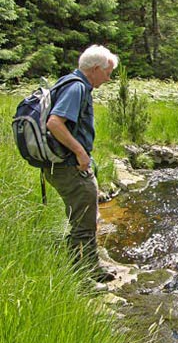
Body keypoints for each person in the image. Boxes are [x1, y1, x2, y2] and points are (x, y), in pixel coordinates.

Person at [44, 45, 118, 283]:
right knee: (84, 222)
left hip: (62, 164)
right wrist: (80, 153)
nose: (109, 78)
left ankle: (89, 268)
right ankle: (83, 277)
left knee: (82, 218)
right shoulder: (76, 87)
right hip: (68, 166)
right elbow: (55, 123)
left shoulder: (70, 82)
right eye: (108, 72)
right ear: (95, 69)